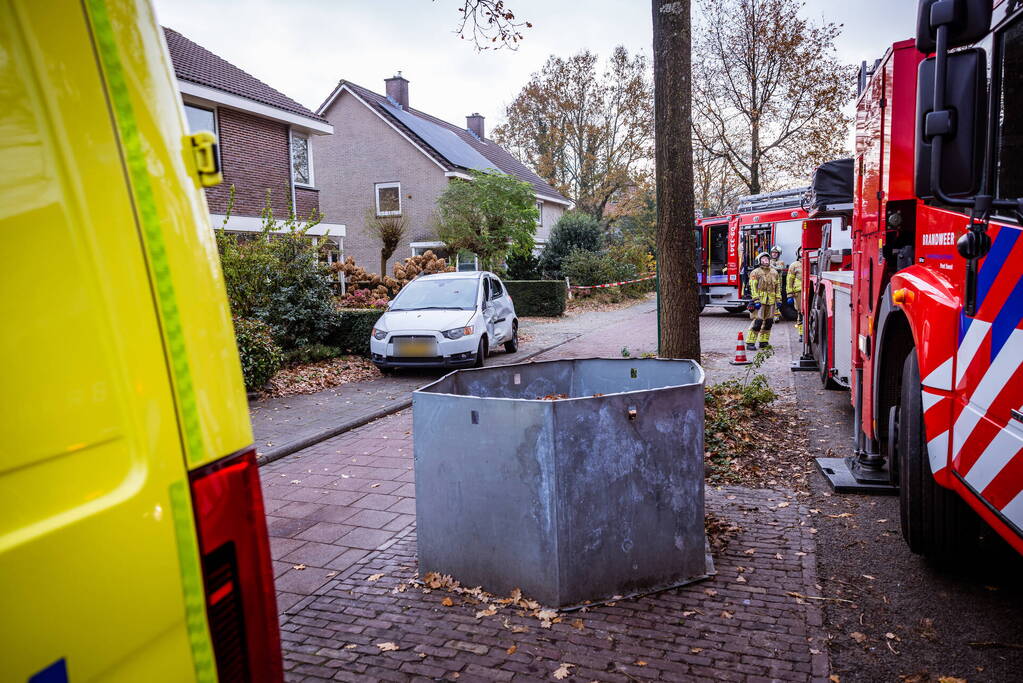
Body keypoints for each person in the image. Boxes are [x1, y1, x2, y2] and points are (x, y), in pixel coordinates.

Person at [746, 251, 781, 350]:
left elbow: (777, 287)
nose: (766, 260)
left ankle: (764, 342)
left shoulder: (774, 272)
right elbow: (753, 287)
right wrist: (756, 300)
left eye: (767, 259)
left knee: (769, 322)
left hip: (771, 301)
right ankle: (750, 342)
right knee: (758, 322)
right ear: (759, 261)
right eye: (763, 259)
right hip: (760, 301)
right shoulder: (756, 272)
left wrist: (778, 299)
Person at [787, 248, 804, 340]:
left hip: (810, 291)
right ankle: (801, 333)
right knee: (800, 312)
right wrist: (789, 294)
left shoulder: (812, 262)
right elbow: (789, 280)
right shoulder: (794, 265)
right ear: (798, 253)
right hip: (798, 291)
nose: (802, 252)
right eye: (800, 251)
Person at [769, 245, 784, 323]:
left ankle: (776, 316)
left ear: (779, 254)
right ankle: (769, 316)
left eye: (776, 253)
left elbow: (779, 268)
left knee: (777, 300)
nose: (774, 254)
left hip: (778, 285)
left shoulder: (780, 262)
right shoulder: (768, 261)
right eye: (773, 253)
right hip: (769, 284)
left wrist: (770, 265)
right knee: (769, 300)